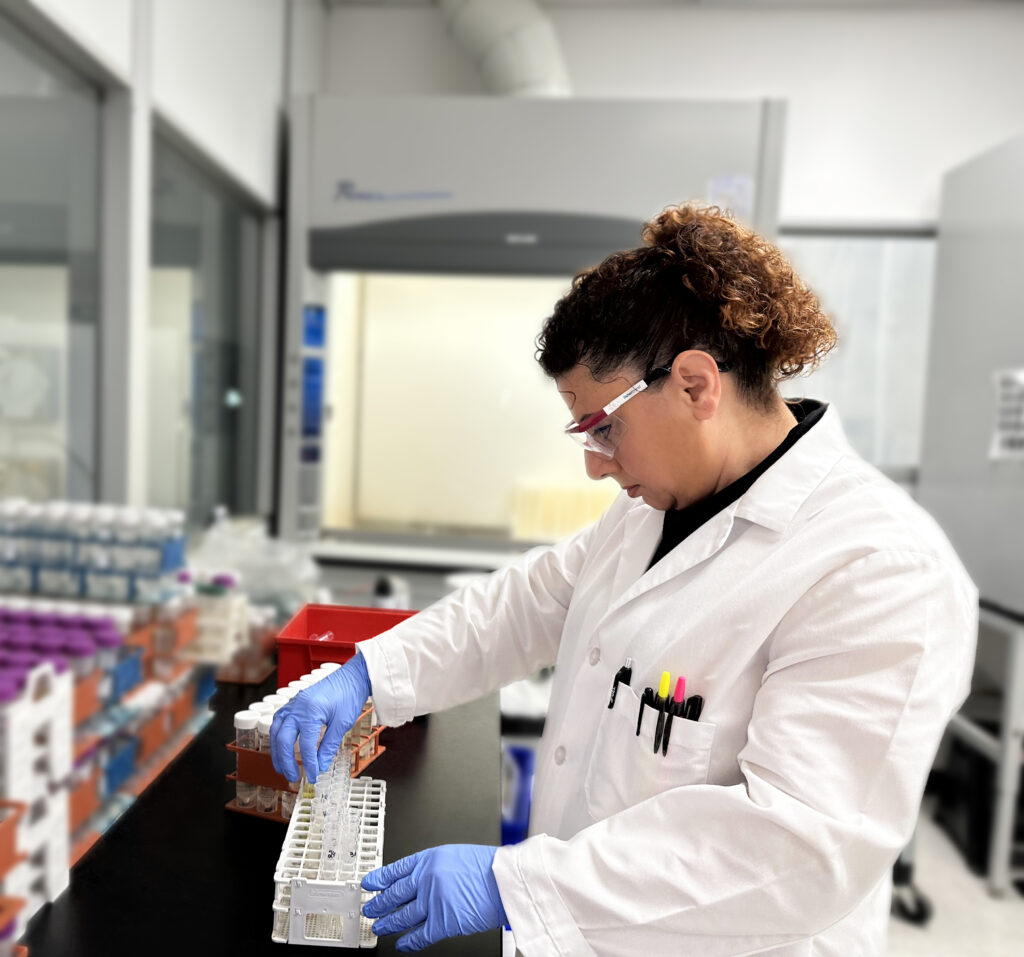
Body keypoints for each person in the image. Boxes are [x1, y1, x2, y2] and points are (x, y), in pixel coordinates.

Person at [271, 203, 978, 956]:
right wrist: (371, 673)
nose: (593, 463)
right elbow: (521, 604)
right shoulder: (653, 510)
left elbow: (795, 849)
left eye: (605, 427)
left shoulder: (877, 567)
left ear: (697, 385)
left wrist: (517, 885)